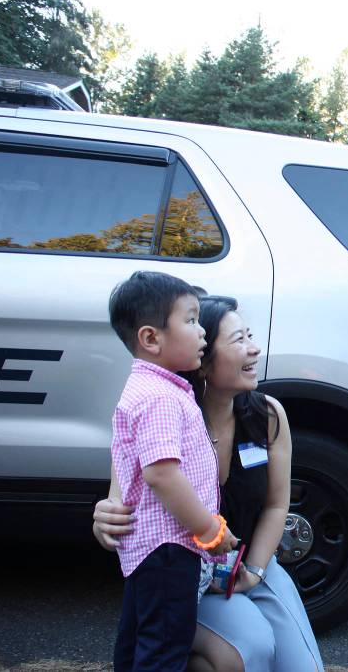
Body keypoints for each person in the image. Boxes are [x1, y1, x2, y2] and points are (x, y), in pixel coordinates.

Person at [95, 295, 325, 672]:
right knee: (247, 653)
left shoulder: (267, 415)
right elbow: (123, 493)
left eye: (250, 335)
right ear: (203, 359)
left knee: (303, 669)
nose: (254, 348)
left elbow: (275, 505)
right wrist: (104, 517)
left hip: (251, 561)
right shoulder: (164, 409)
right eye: (238, 340)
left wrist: (254, 572)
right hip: (188, 573)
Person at [106, 271, 239, 671]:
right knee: (165, 647)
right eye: (191, 320)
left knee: (139, 639)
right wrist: (209, 530)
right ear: (151, 338)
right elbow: (161, 474)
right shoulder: (159, 397)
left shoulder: (156, 389)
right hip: (168, 547)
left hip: (154, 549)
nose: (202, 332)